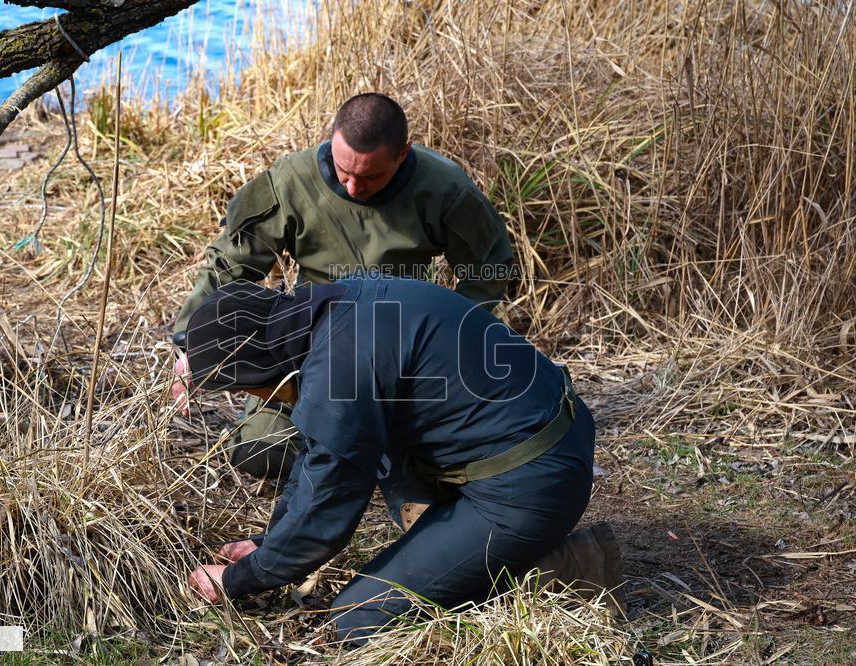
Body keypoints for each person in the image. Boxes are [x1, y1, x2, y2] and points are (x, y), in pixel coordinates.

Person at [179, 277, 623, 644]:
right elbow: (319, 453)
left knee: (357, 618)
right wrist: (271, 540)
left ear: (259, 367)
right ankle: (459, 549)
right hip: (545, 430)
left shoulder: (338, 371)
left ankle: (564, 567)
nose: (251, 399)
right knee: (378, 450)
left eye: (242, 388)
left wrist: (242, 579)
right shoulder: (336, 307)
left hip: (527, 480)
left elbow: (327, 505)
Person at [171, 92, 515, 480]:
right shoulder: (291, 181)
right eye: (342, 170)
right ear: (332, 139)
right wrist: (192, 345)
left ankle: (370, 450)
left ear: (402, 155)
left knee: (454, 452)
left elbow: (490, 268)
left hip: (401, 353)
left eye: (369, 177)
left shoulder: (443, 187)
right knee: (260, 452)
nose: (352, 187)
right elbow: (230, 266)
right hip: (305, 348)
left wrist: (448, 336)